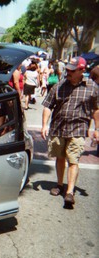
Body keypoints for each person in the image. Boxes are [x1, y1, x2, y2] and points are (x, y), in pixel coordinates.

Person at [41, 56, 99, 209]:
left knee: (73, 160)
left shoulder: (92, 87)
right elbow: (48, 106)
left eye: (72, 70)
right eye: (67, 69)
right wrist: (44, 125)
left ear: (82, 70)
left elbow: (96, 109)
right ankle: (59, 184)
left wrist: (97, 129)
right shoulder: (59, 85)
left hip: (78, 129)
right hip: (58, 128)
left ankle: (70, 192)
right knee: (60, 157)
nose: (68, 72)